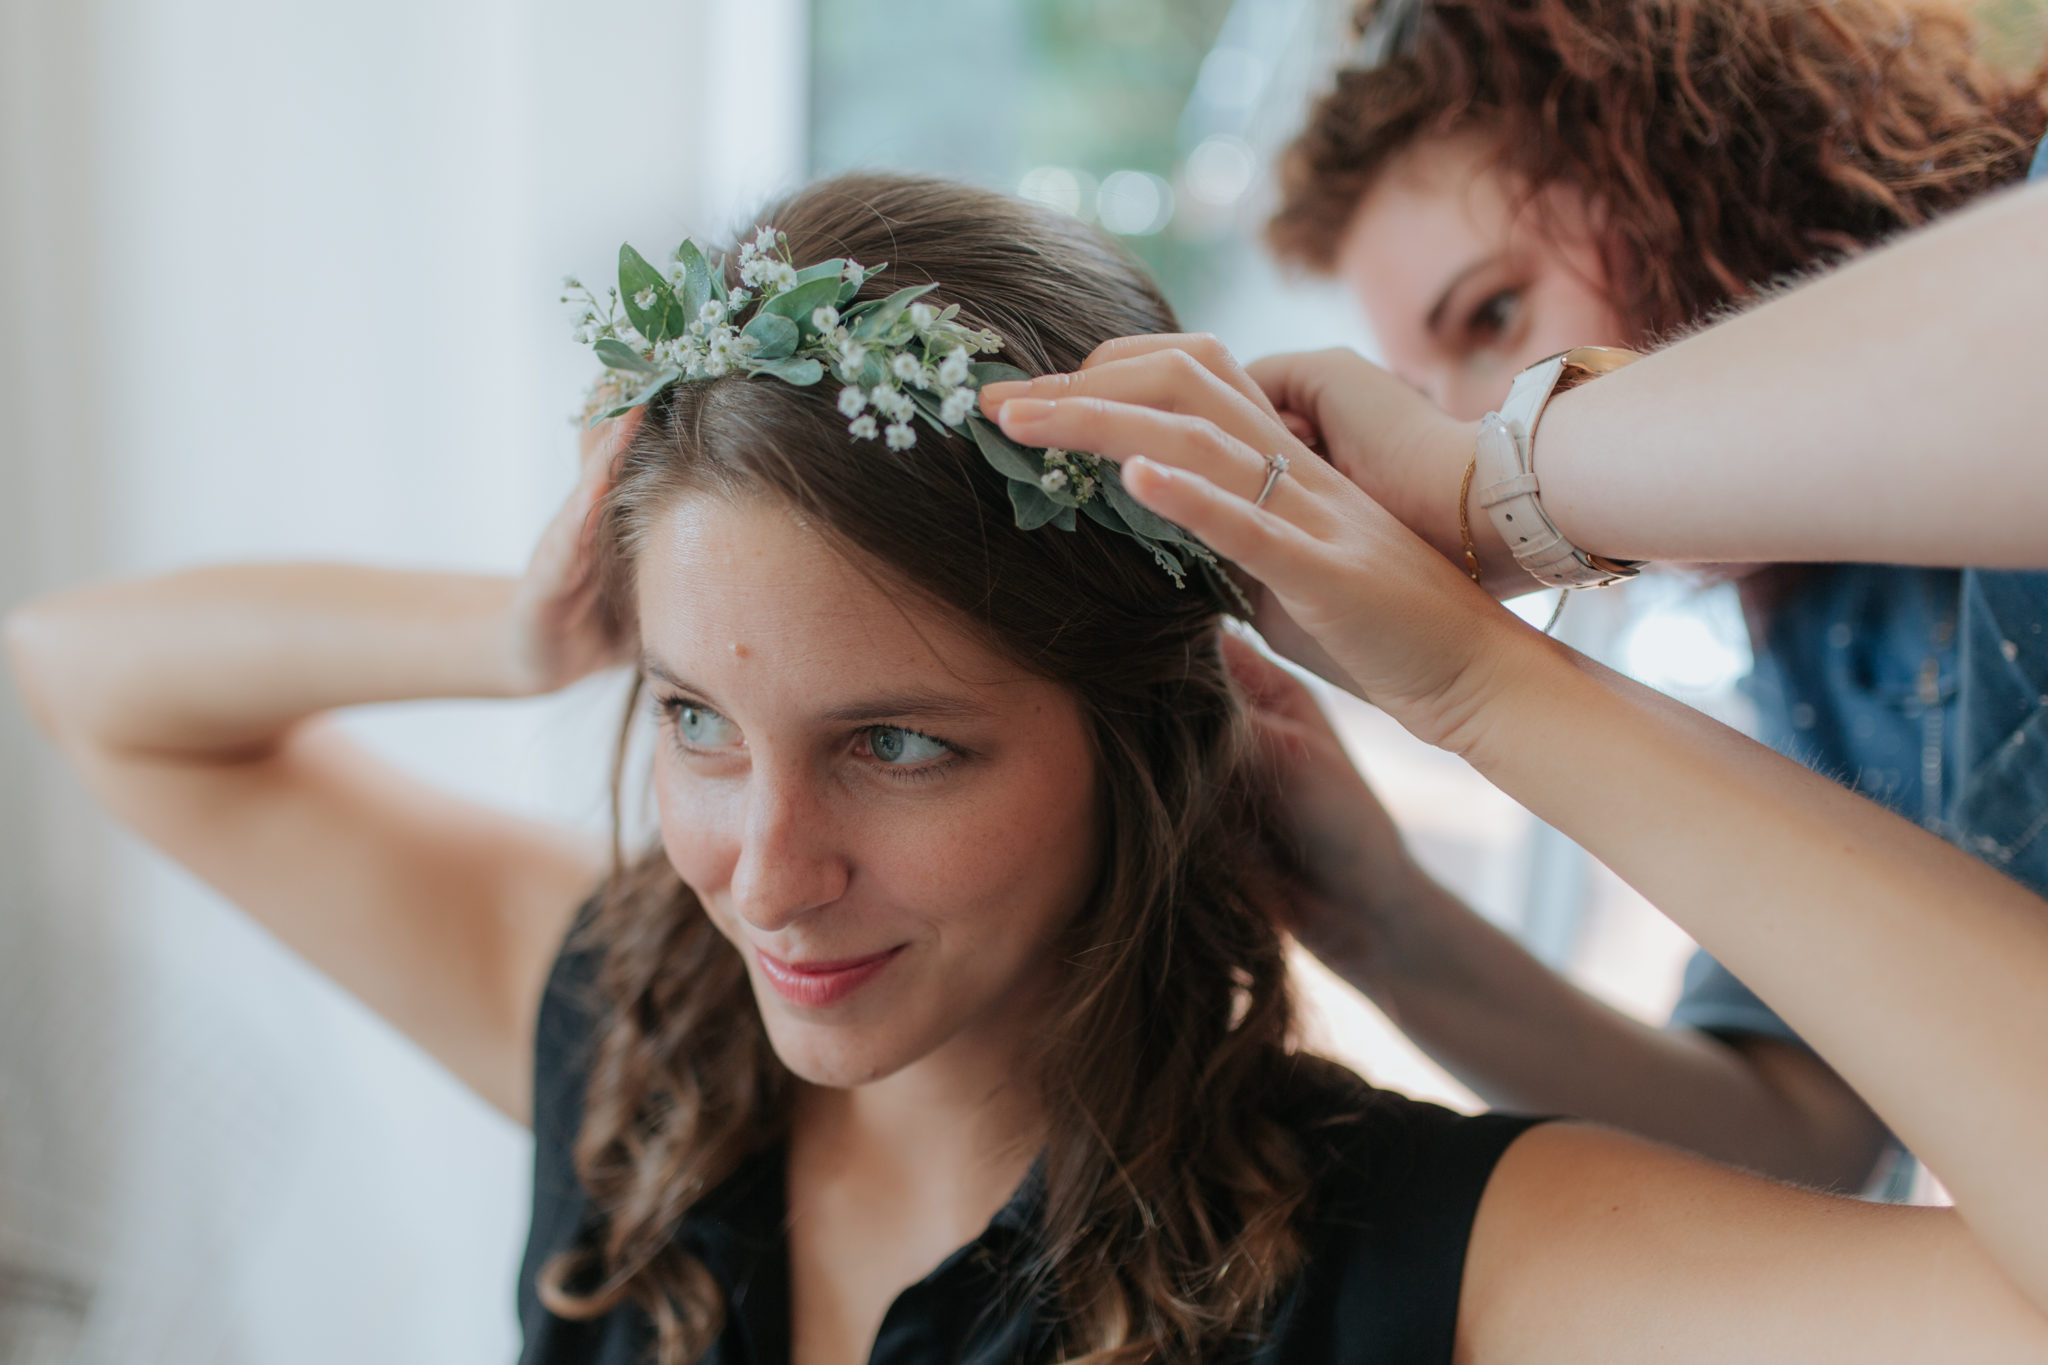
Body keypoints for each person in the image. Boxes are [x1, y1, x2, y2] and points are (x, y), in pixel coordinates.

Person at [10, 173, 2048, 1364]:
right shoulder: (632, 1040)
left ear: (1145, 742)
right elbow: (90, 678)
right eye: (702, 724)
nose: (764, 872)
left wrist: (1479, 691)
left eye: (896, 743)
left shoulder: (1406, 1254)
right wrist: (523, 629)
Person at [1235, 0, 2048, 1192]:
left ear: (1695, 166)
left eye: (1493, 316)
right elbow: (1792, 1134)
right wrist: (1373, 916)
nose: (1461, 416)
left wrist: (1496, 488)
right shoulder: (1815, 652)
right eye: (1424, 392)